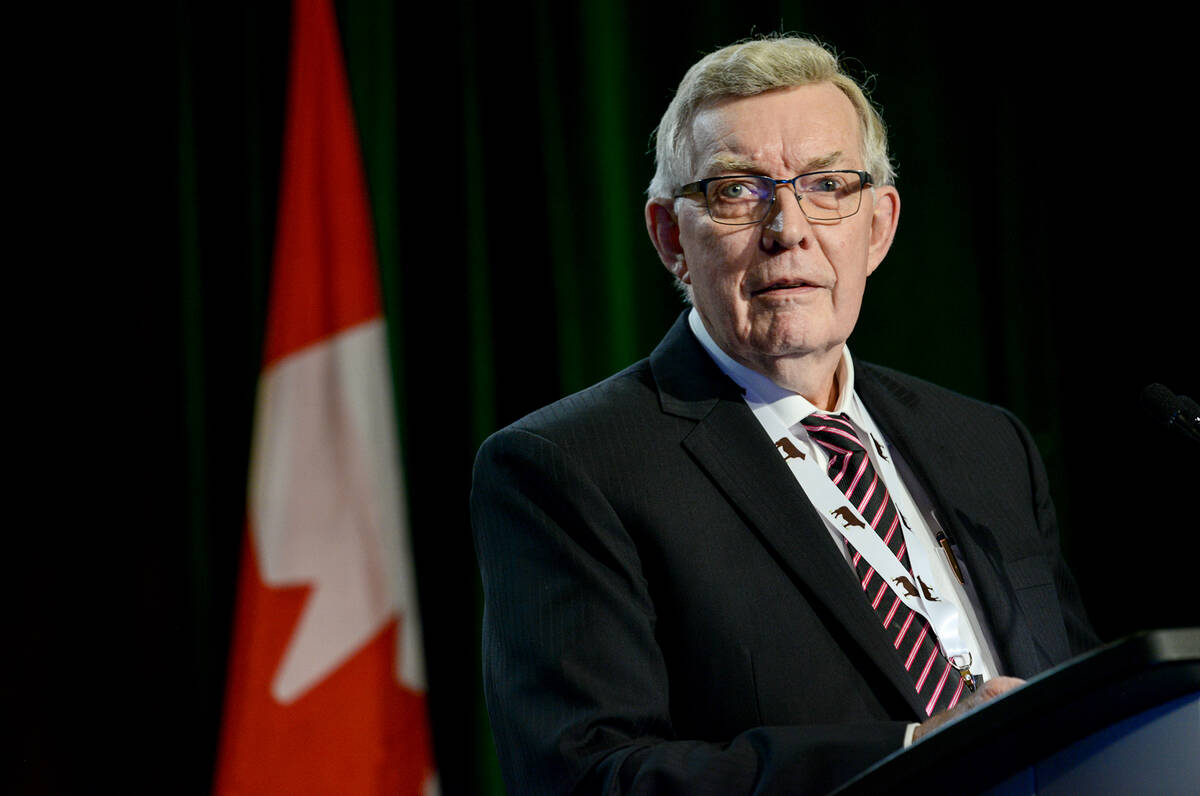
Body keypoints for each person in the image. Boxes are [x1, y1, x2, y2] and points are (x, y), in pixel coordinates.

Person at [470, 35, 1096, 794]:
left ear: (879, 225)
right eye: (737, 191)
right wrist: (908, 750)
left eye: (828, 184)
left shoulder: (987, 443)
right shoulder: (571, 468)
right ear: (670, 236)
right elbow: (589, 777)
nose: (788, 228)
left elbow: (1080, 700)